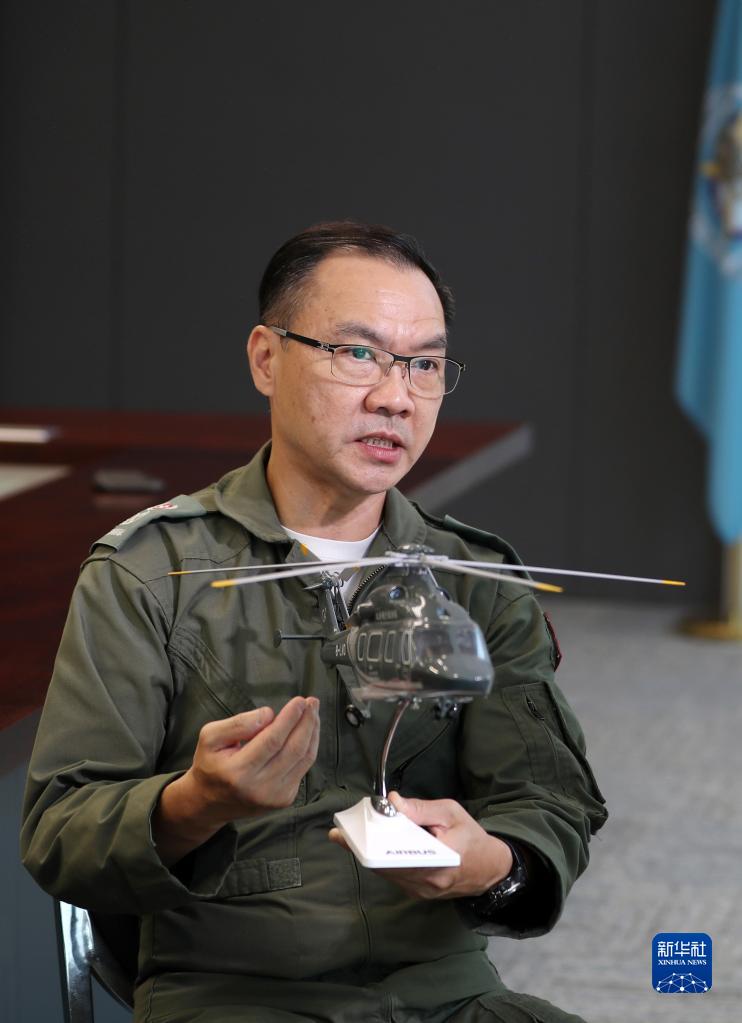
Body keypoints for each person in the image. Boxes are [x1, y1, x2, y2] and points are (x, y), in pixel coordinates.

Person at [21, 222, 607, 1023]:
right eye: (358, 353)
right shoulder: (152, 572)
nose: (396, 396)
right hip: (231, 994)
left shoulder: (475, 580)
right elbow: (59, 832)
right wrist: (196, 801)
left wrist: (492, 865)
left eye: (425, 364)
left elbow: (548, 802)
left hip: (446, 995)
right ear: (267, 358)